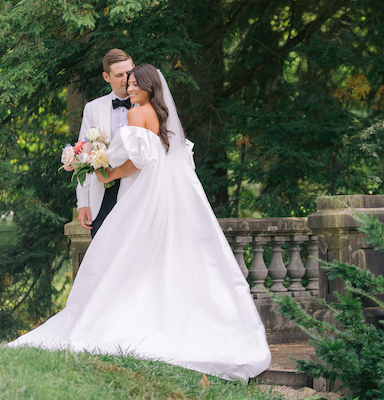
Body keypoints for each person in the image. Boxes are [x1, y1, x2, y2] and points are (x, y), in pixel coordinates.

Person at [7, 64, 272, 381]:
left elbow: (136, 162)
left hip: (144, 195)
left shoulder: (136, 113)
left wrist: (104, 171)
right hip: (166, 194)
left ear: (148, 85)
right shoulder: (161, 115)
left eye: (134, 84)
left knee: (122, 253)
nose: (129, 89)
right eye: (127, 84)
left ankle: (118, 320)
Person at [76, 49, 135, 238]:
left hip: (139, 188)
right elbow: (83, 155)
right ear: (106, 77)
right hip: (102, 192)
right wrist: (83, 203)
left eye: (128, 72)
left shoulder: (148, 107)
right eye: (119, 75)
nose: (125, 79)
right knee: (102, 254)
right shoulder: (92, 108)